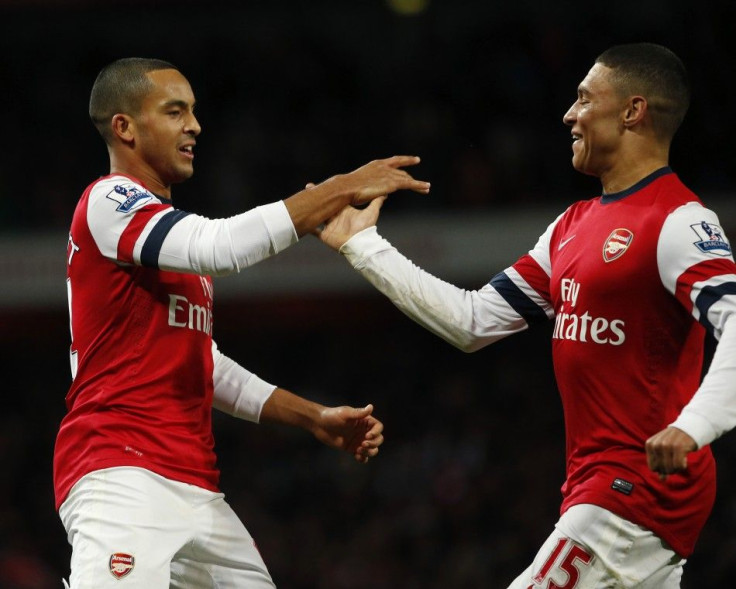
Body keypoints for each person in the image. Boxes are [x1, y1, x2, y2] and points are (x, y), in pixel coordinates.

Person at [317, 43, 736, 587]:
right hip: (604, 493)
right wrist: (363, 246)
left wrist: (692, 426)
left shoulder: (678, 221)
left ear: (633, 111)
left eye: (584, 98)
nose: (569, 114)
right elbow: (472, 322)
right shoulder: (571, 226)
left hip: (635, 490)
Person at [54, 57, 430, 589]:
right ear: (124, 128)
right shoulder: (106, 202)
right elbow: (223, 246)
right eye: (175, 111)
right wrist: (344, 186)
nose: (194, 125)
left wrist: (312, 417)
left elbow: (202, 363)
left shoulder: (166, 243)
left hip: (196, 484)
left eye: (194, 111)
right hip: (121, 470)